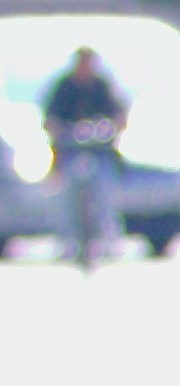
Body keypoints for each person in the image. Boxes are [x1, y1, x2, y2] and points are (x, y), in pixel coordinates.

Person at [39, 44, 127, 269]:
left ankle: (109, 239)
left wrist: (107, 128)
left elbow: (119, 115)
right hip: (69, 154)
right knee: (65, 191)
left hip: (100, 153)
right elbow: (50, 119)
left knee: (105, 189)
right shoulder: (64, 87)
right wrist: (63, 131)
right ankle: (67, 240)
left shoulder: (102, 86)